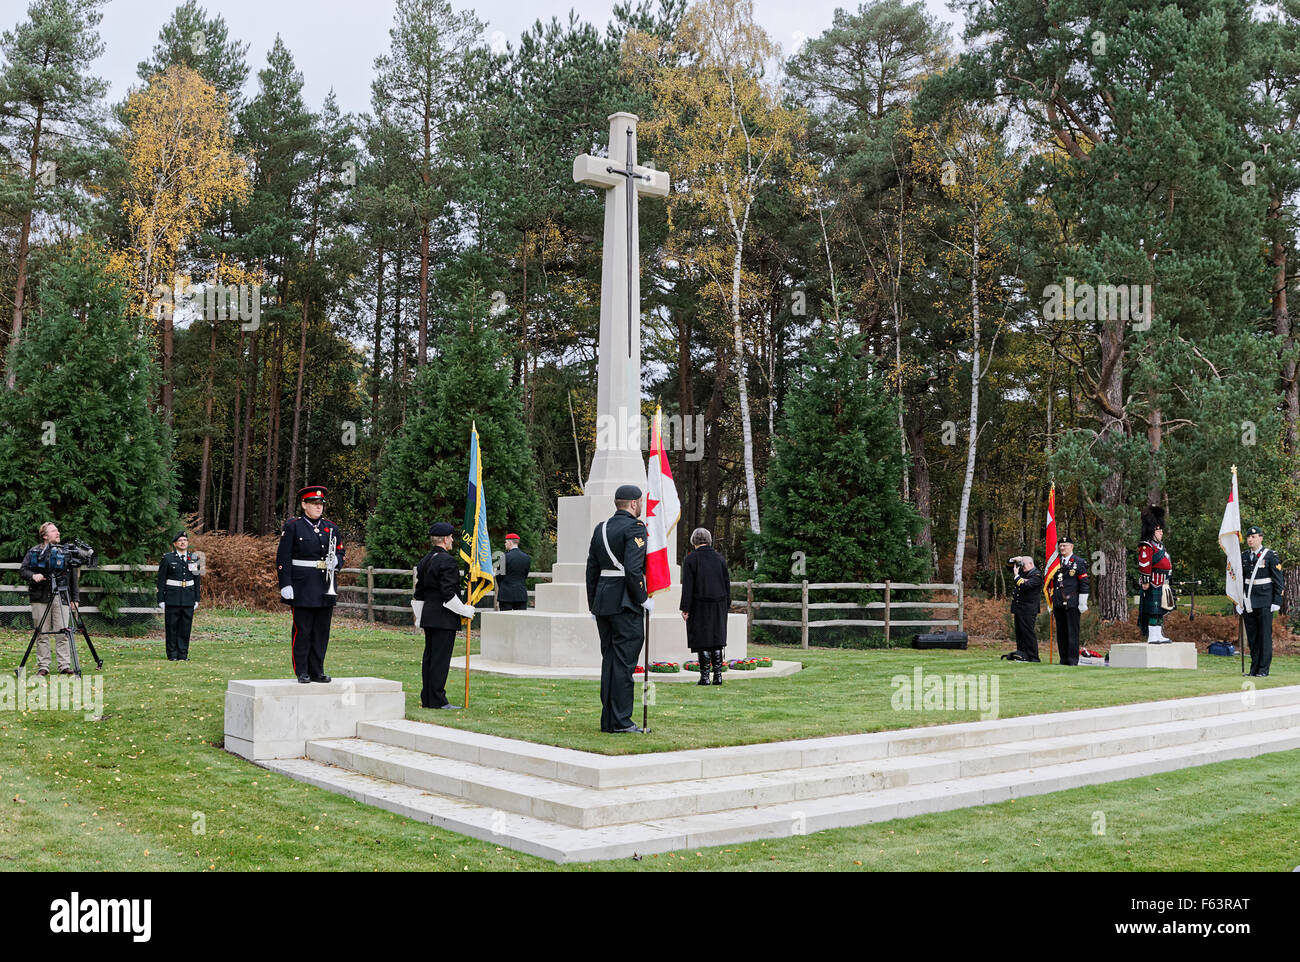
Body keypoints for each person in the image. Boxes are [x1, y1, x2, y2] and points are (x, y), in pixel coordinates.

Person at [585, 483, 651, 733]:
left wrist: (593, 604)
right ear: (634, 503)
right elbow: (634, 570)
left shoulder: (600, 528)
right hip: (625, 603)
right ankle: (622, 721)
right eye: (641, 502)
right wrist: (643, 598)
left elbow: (591, 570)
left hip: (604, 602)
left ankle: (609, 719)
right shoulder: (635, 527)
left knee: (610, 662)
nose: (641, 506)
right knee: (623, 665)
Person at [276, 485, 345, 683]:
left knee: (322, 631)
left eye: (320, 504)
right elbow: (283, 557)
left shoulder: (331, 527)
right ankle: (302, 670)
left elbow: (340, 552)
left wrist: (337, 562)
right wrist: (285, 584)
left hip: (325, 585)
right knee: (303, 630)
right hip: (302, 586)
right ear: (304, 504)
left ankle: (317, 670)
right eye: (314, 503)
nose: (318, 507)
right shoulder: (293, 526)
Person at [414, 522, 476, 708]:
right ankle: (438, 700)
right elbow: (448, 595)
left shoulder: (426, 559)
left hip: (429, 616)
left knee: (430, 659)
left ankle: (429, 698)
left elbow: (419, 592)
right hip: (443, 617)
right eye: (451, 537)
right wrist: (465, 610)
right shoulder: (447, 561)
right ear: (445, 539)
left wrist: (419, 617)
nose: (452, 540)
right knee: (440, 661)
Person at [19, 521, 79, 676]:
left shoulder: (65, 552)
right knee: (42, 633)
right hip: (40, 597)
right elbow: (23, 570)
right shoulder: (34, 552)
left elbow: (73, 578)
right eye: (53, 531)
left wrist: (75, 598)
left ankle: (64, 665)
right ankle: (43, 666)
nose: (58, 533)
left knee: (63, 633)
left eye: (57, 530)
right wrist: (33, 575)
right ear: (45, 536)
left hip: (62, 597)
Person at [680, 527, 731, 685]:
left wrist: (685, 608)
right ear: (709, 540)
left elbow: (688, 586)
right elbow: (726, 584)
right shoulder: (720, 558)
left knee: (702, 639)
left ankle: (704, 677)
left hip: (699, 604)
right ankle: (718, 676)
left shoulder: (690, 559)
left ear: (694, 541)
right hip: (719, 604)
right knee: (717, 638)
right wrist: (726, 604)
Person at [1239, 525, 1284, 678]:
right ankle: (1254, 669)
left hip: (1265, 600)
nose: (1250, 540)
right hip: (1248, 601)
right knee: (1252, 637)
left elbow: (1278, 580)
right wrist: (1239, 602)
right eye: (1248, 537)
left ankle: (1263, 669)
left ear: (1260, 538)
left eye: (1253, 537)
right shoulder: (1244, 556)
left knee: (1264, 637)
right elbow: (1240, 581)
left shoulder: (1270, 555)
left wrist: (1277, 600)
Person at [156, 532, 201, 661]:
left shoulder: (194, 558)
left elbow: (197, 580)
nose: (183, 542)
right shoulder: (168, 558)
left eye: (185, 540)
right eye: (180, 540)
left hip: (188, 598)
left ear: (187, 543)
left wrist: (197, 598)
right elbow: (161, 580)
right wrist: (161, 599)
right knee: (171, 627)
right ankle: (172, 655)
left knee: (185, 628)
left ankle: (183, 655)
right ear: (175, 544)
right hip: (172, 597)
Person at [1136, 505, 1173, 643]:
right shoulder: (1146, 545)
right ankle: (1152, 636)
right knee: (1153, 610)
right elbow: (1144, 564)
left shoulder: (1159, 546)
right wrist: (1145, 581)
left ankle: (1158, 634)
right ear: (1152, 530)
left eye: (1161, 530)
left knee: (1160, 610)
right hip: (1152, 581)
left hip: (1163, 581)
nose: (1161, 533)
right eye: (1158, 530)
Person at [1050, 536, 1089, 666]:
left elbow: (1084, 583)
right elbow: (1051, 581)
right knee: (1061, 632)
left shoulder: (1079, 562)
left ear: (1071, 547)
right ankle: (1063, 659)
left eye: (1065, 545)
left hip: (1072, 602)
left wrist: (1083, 601)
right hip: (1058, 602)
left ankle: (1072, 660)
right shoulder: (1055, 563)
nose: (1062, 548)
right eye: (1060, 546)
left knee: (1072, 632)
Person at [1009, 555, 1043, 662]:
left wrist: (1016, 575)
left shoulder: (1036, 575)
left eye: (1024, 565)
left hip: (1028, 608)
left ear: (1031, 564)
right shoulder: (1024, 572)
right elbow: (1008, 566)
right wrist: (1014, 560)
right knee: (1020, 633)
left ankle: (1033, 656)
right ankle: (1022, 654)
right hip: (1019, 607)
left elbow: (1025, 585)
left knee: (1028, 633)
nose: (1022, 567)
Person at [497, 533, 531, 611]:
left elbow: (499, 576)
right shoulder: (526, 557)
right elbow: (525, 575)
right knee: (520, 620)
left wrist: (503, 586)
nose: (505, 544)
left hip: (506, 594)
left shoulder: (504, 557)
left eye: (506, 542)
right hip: (520, 594)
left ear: (510, 542)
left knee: (505, 620)